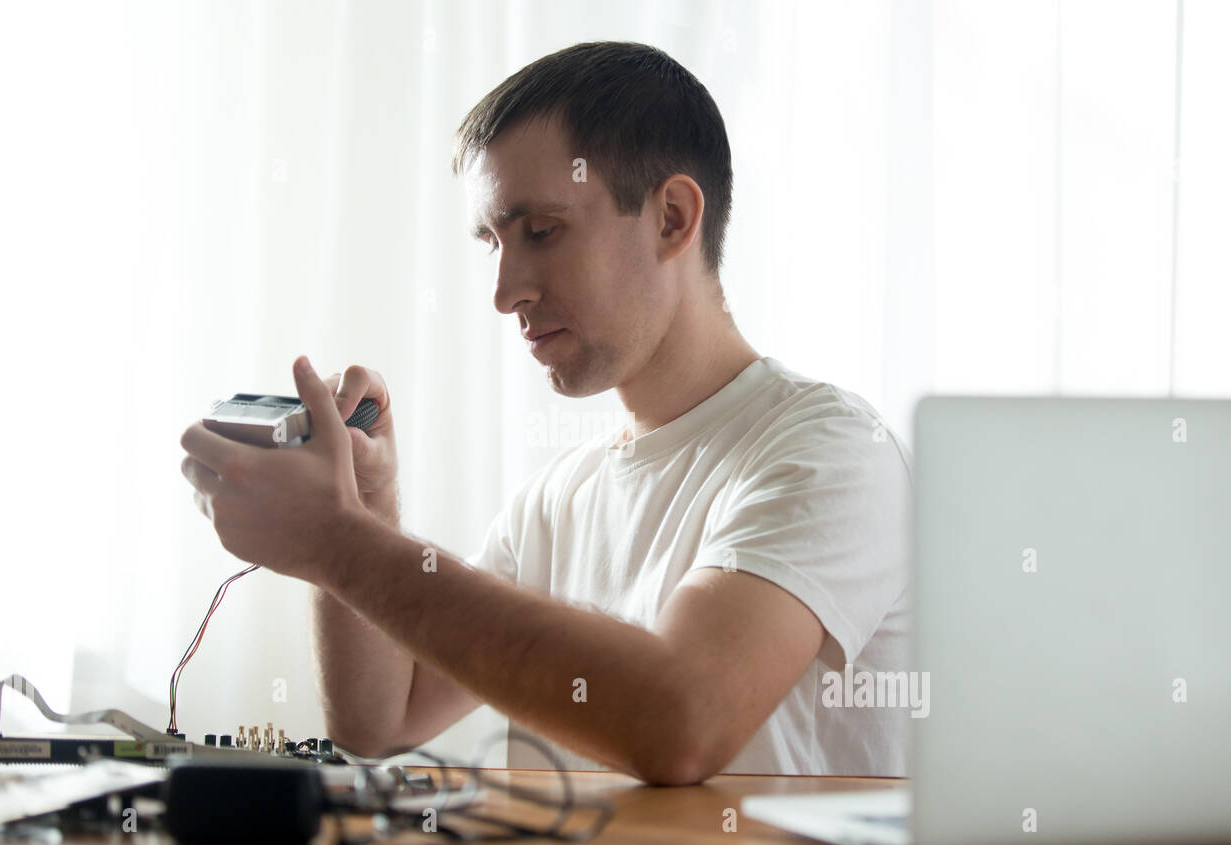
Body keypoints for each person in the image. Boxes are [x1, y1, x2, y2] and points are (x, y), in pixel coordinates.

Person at [181, 41, 913, 785]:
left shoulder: (833, 452)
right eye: (493, 243)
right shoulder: (559, 500)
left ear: (671, 218)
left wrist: (337, 543)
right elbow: (380, 721)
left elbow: (682, 722)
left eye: (540, 231)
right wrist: (363, 503)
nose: (505, 292)